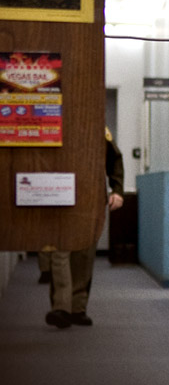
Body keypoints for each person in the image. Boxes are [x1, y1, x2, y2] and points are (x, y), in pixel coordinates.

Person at [44, 127, 124, 328]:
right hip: (57, 195)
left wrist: (117, 189)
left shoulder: (96, 126)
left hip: (90, 197)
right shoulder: (50, 119)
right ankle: (61, 307)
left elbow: (114, 159)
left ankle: (77, 308)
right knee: (59, 251)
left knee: (84, 254)